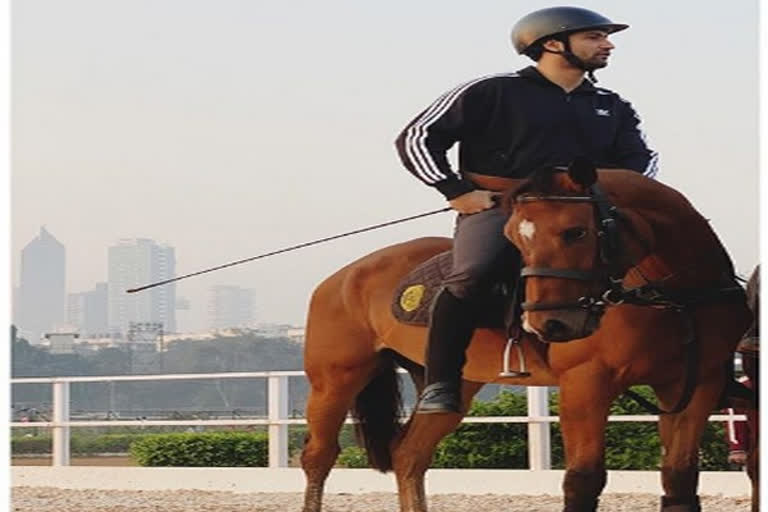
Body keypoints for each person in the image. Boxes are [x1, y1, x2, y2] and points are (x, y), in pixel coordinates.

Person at [395, 6, 658, 414]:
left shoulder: (612, 104)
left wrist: (618, 197)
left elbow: (643, 161)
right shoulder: (491, 90)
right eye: (594, 37)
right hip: (502, 206)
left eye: (606, 37)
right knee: (472, 273)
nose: (608, 44)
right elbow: (416, 138)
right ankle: (441, 382)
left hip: (586, 210)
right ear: (552, 43)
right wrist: (456, 191)